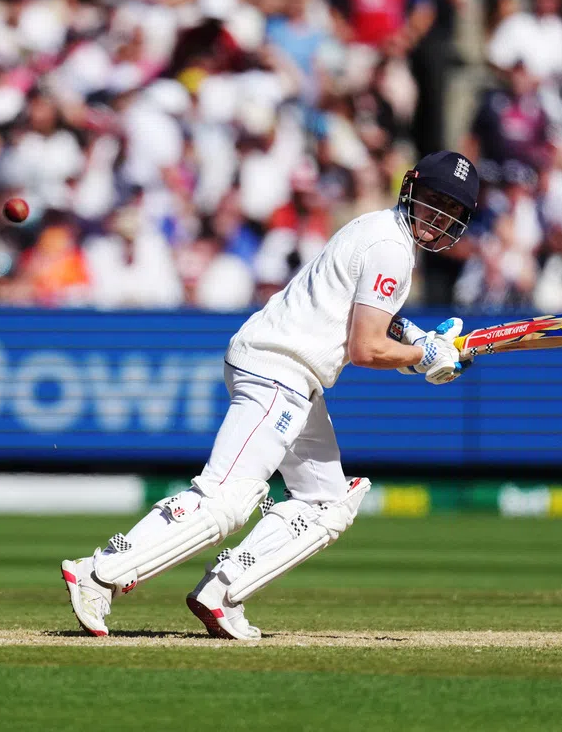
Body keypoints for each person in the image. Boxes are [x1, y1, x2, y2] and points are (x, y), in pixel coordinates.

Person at [62, 151, 479, 639]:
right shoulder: (390, 246)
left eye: (451, 209)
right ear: (409, 187)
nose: (438, 216)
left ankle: (222, 591)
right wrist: (422, 355)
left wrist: (417, 344)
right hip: (277, 368)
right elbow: (366, 348)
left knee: (326, 502)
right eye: (432, 199)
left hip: (294, 376)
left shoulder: (378, 231)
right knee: (228, 499)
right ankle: (98, 572)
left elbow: (359, 323)